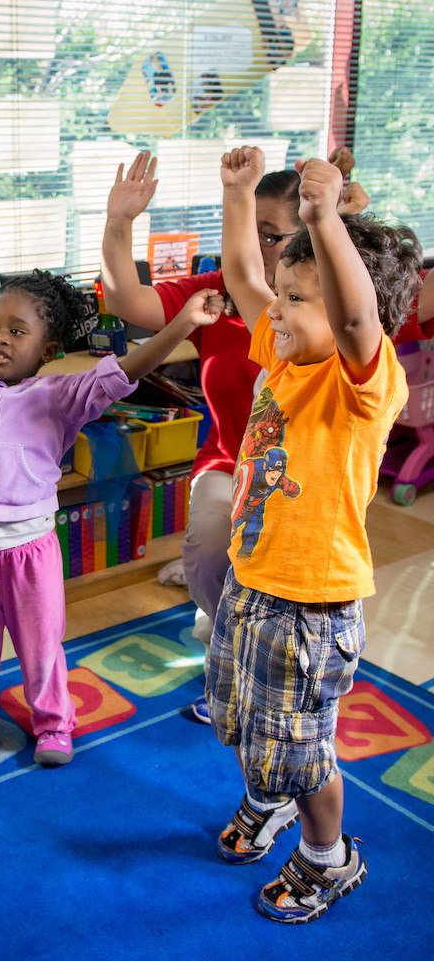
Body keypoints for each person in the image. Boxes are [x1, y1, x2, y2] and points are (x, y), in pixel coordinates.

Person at [0, 237, 225, 767]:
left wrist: (181, 324)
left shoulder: (61, 397)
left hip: (29, 550)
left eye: (17, 331)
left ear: (47, 350)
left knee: (42, 650)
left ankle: (52, 724)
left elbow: (126, 372)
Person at [208, 145, 418, 923]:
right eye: (284, 293)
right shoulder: (287, 359)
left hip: (311, 607)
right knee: (243, 718)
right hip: (251, 580)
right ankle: (268, 801)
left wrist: (326, 218)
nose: (277, 308)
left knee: (303, 752)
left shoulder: (364, 384)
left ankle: (329, 855)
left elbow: (358, 315)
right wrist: (235, 197)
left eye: (299, 298)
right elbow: (241, 280)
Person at [101, 147, 377, 726]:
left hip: (303, 495)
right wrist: (120, 221)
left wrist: (334, 215)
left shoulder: (333, 336)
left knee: (297, 688)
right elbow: (149, 295)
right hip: (233, 462)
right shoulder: (245, 301)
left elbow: (357, 312)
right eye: (248, 233)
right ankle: (223, 639)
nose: (256, 248)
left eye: (273, 235)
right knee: (209, 547)